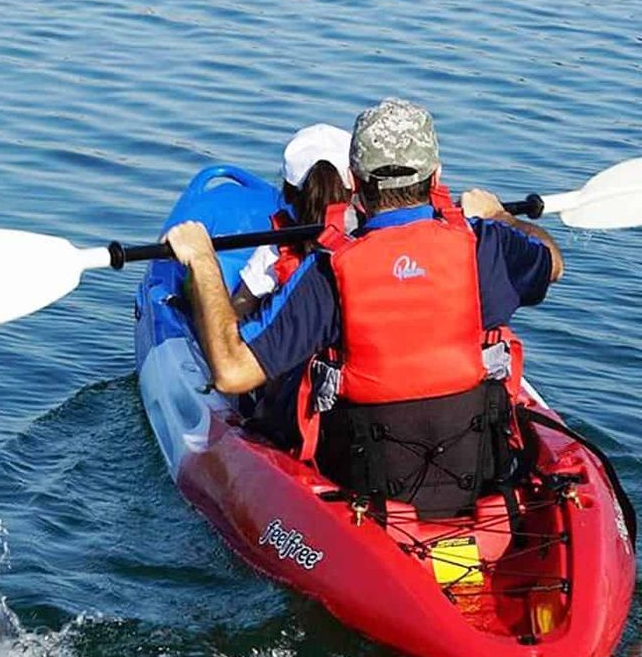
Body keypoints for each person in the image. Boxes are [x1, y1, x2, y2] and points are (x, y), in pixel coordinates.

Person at [166, 99, 564, 515]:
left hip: (364, 484)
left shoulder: (329, 271)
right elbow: (552, 262)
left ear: (355, 182)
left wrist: (203, 262)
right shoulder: (487, 245)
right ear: (437, 176)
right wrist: (501, 216)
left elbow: (231, 372)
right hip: (478, 466)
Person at [231, 123, 352, 320]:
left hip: (294, 345)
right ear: (354, 186)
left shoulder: (276, 247)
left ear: (287, 194)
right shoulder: (368, 237)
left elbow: (241, 305)